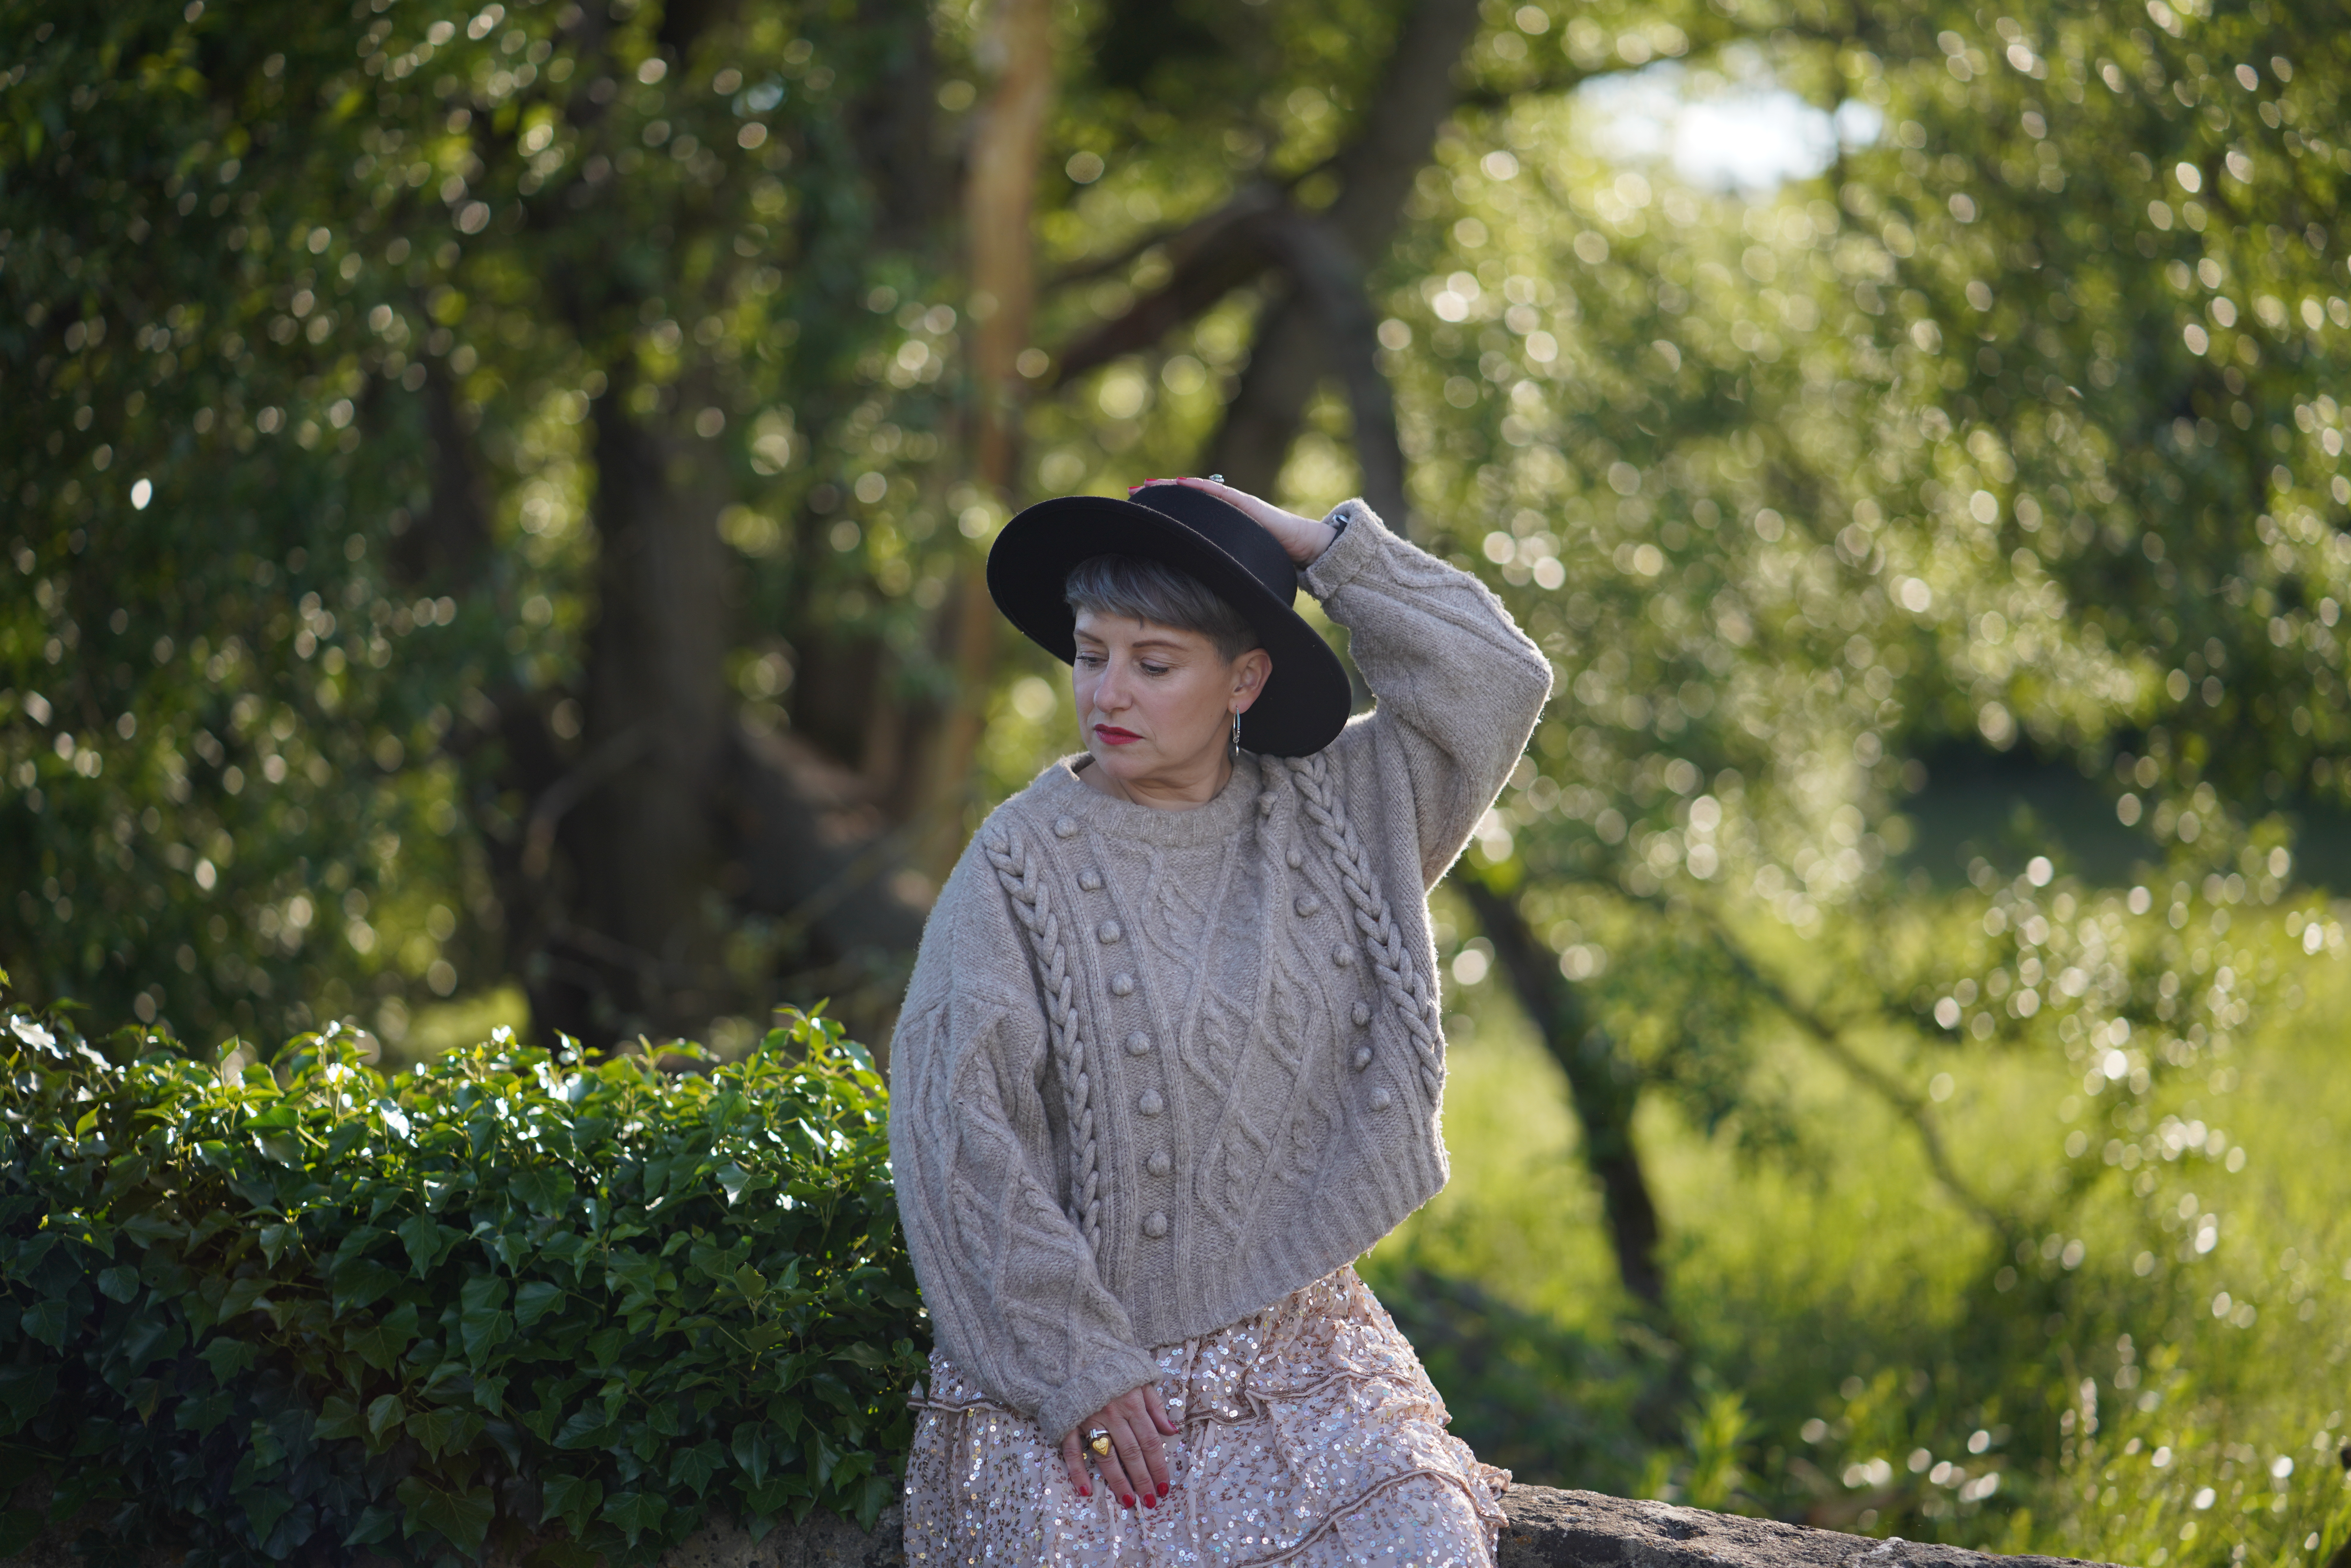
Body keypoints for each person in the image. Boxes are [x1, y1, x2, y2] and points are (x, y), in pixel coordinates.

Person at [889, 477, 1552, 1566]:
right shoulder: (1016, 867)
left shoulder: (1342, 816)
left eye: (1154, 664)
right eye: (1091, 654)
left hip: (1305, 1357)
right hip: (1085, 1373)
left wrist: (1323, 549)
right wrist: (1075, 1366)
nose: (1109, 692)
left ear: (1246, 677)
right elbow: (956, 1133)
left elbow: (1497, 679)